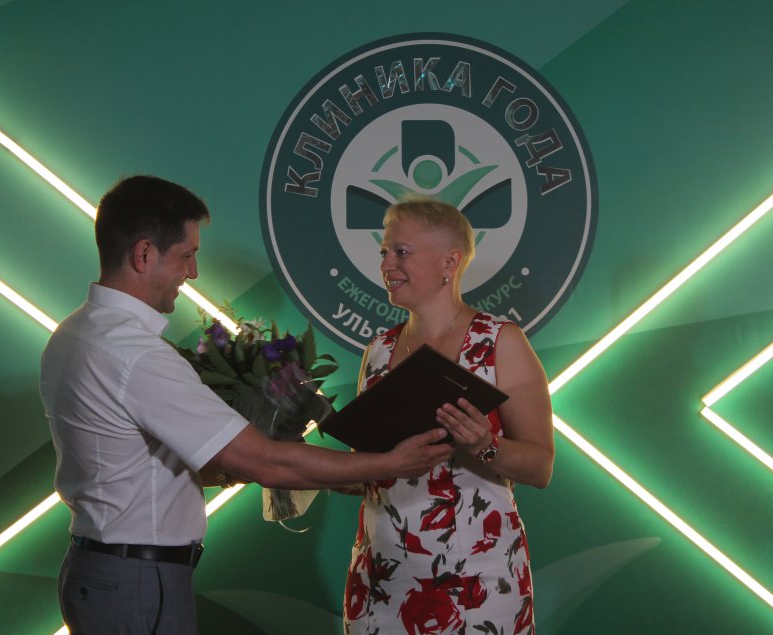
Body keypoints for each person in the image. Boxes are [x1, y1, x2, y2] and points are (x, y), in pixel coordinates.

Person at [39, 175, 453, 635]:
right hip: (137, 580)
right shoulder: (135, 355)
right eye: (186, 255)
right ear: (143, 254)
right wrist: (387, 465)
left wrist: (327, 471)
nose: (193, 272)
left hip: (103, 572)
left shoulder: (74, 333)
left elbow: (140, 463)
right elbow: (265, 462)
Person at [342, 198, 554, 635]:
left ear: (450, 262)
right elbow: (365, 471)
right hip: (380, 577)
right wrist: (292, 460)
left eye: (401, 252)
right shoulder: (377, 351)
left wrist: (486, 446)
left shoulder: (501, 341)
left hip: (479, 582)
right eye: (384, 252)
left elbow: (540, 467)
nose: (387, 264)